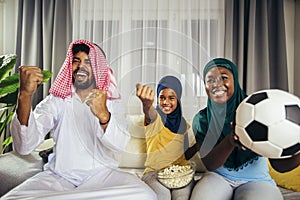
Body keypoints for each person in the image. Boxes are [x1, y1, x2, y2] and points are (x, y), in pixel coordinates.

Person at [3, 39, 157, 200]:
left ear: (98, 68)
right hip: (60, 177)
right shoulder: (57, 100)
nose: (81, 66)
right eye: (76, 61)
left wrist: (104, 115)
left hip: (103, 178)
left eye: (88, 62)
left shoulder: (112, 102)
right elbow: (24, 146)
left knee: (146, 195)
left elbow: (120, 145)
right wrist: (24, 96)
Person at [185, 58, 300, 200]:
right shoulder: (202, 119)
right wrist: (230, 141)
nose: (217, 84)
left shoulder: (258, 109)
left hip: (257, 180)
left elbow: (279, 166)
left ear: (235, 80)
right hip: (218, 177)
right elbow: (210, 164)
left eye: (224, 78)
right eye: (210, 80)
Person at [136, 75, 195, 200]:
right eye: (162, 97)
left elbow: (183, 154)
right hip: (154, 175)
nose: (166, 102)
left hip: (181, 174)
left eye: (171, 98)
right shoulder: (155, 118)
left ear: (178, 99)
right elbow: (149, 112)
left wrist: (198, 145)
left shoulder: (183, 123)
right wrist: (146, 105)